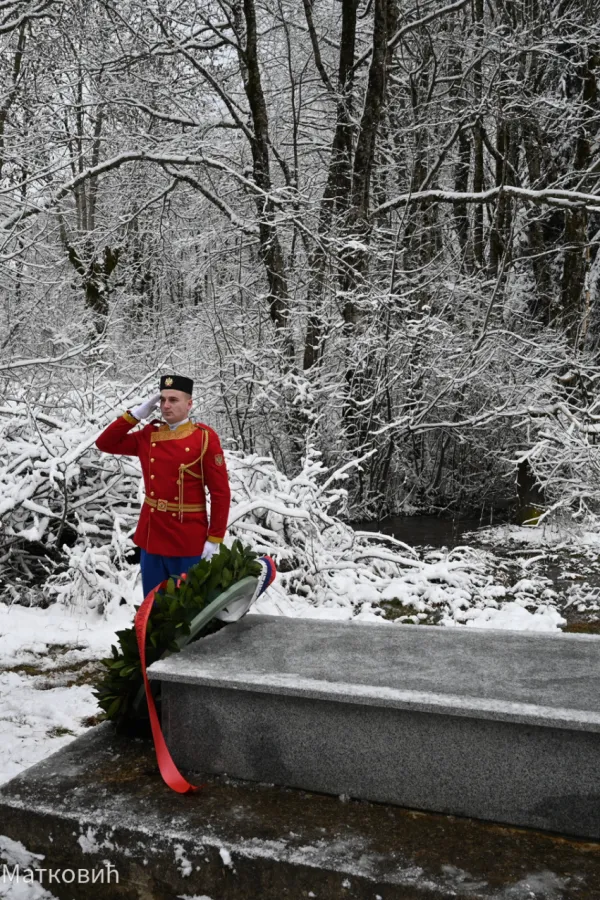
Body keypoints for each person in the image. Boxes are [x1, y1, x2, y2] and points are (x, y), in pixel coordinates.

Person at [96, 374, 231, 597]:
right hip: (152, 535)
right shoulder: (150, 435)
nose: (166, 406)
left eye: (173, 400)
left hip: (187, 538)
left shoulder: (204, 438)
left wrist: (214, 538)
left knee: (187, 605)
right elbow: (105, 443)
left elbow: (220, 493)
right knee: (153, 605)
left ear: (189, 404)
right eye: (162, 400)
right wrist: (135, 415)